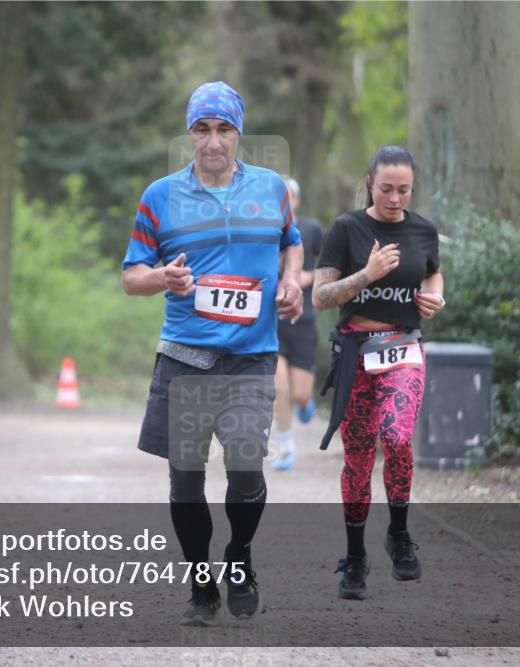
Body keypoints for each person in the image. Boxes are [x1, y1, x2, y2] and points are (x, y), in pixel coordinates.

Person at [122, 81, 303, 626]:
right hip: (186, 358)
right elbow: (132, 278)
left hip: (251, 356)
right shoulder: (160, 196)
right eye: (202, 129)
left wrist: (292, 281)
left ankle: (239, 555)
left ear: (238, 133)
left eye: (224, 129)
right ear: (189, 134)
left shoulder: (271, 188)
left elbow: (290, 241)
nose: (213, 141)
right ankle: (201, 585)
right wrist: (162, 277)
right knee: (185, 479)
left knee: (246, 467)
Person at [312, 145, 444, 600]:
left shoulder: (424, 230)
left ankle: (400, 534)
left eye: (403, 190)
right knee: (359, 458)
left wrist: (435, 297)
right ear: (370, 183)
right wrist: (366, 274)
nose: (394, 198)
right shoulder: (347, 229)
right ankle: (355, 558)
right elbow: (321, 297)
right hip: (356, 353)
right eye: (386, 188)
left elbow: (432, 274)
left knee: (398, 436)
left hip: (403, 348)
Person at [272, 175, 325, 471]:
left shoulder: (312, 229)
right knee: (279, 388)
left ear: (296, 200)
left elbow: (333, 265)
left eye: (288, 197)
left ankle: (306, 403)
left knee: (300, 393)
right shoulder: (262, 230)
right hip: (272, 320)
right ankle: (287, 448)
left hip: (303, 320)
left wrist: (309, 276)